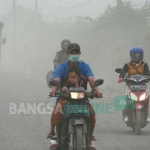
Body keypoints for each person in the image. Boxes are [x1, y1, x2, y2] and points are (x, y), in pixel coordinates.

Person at [48, 43, 103, 150]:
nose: (74, 54)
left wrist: (97, 91)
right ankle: (58, 140)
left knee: (91, 113)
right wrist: (54, 90)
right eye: (72, 53)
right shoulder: (62, 67)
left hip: (82, 99)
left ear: (80, 53)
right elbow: (57, 80)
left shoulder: (85, 66)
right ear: (67, 54)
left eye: (76, 52)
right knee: (58, 110)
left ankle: (90, 139)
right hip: (65, 98)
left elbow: (91, 79)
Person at [118, 46, 150, 122]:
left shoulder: (145, 64)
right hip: (130, 85)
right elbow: (123, 72)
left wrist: (148, 77)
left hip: (142, 85)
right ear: (131, 55)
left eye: (138, 54)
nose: (137, 56)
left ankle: (147, 114)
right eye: (135, 54)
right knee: (128, 99)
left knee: (147, 98)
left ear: (141, 55)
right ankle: (126, 114)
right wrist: (121, 77)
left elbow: (147, 73)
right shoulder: (127, 64)